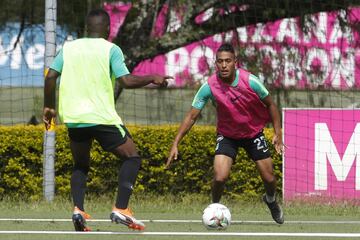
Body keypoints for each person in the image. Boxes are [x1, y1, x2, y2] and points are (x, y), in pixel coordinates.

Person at [43, 9, 172, 231]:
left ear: (86, 28)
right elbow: (126, 81)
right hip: (102, 118)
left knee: (81, 165)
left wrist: (49, 107)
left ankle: (78, 210)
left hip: (74, 119)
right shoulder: (111, 49)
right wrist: (152, 77)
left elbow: (51, 76)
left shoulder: (69, 48)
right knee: (132, 157)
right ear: (109, 29)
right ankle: (121, 208)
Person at [166, 43, 284, 224]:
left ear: (235, 62)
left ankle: (270, 200)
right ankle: (213, 210)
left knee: (269, 178)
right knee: (220, 177)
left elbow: (271, 104)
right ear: (216, 64)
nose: (224, 65)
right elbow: (191, 116)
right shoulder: (209, 86)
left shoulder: (250, 81)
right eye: (220, 61)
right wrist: (176, 143)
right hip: (227, 135)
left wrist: (278, 132)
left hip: (253, 134)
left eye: (228, 61)